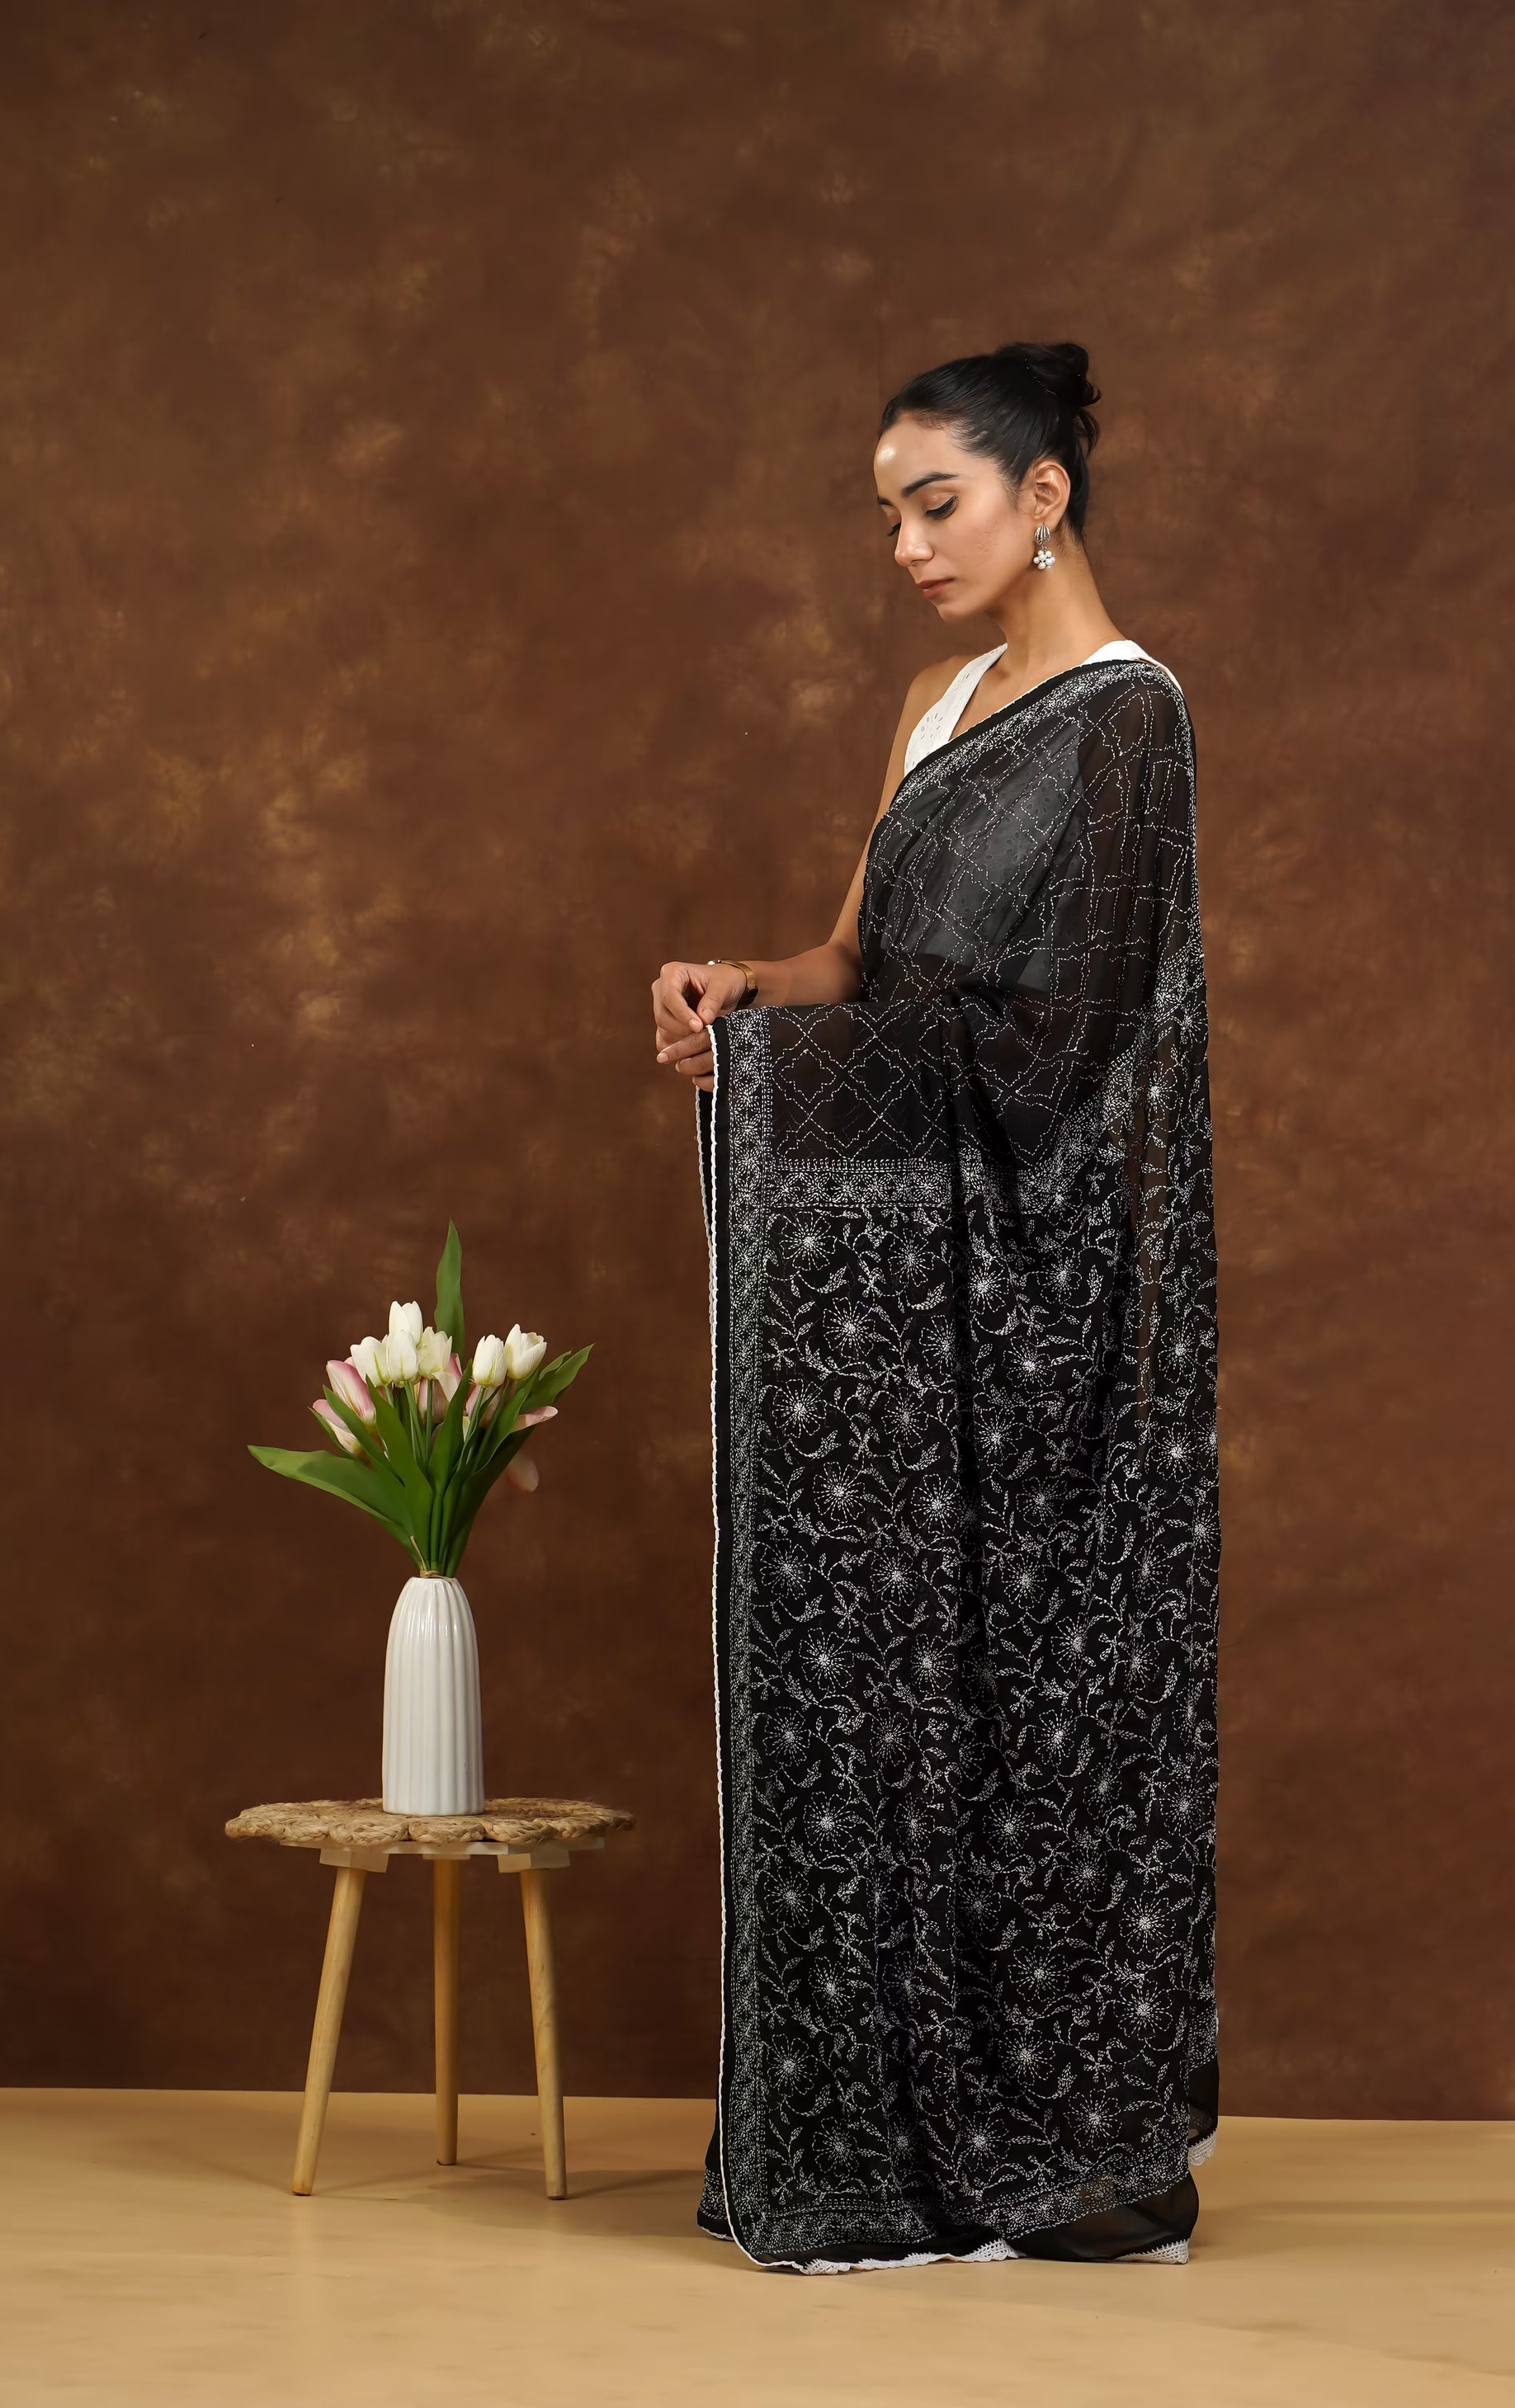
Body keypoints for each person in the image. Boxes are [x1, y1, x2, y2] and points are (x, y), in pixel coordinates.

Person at [650, 342, 1220, 2273]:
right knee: (873, 1668)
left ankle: (1079, 2127)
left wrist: (878, 1073)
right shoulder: (930, 701)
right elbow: (861, 959)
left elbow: (1082, 1050)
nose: (901, 541)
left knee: (1037, 1699)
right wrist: (747, 986)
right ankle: (881, 2112)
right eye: (884, 509)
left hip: (1030, 1302)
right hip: (881, 1307)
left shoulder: (1128, 722)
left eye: (937, 501)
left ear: (1044, 492)